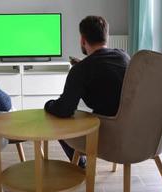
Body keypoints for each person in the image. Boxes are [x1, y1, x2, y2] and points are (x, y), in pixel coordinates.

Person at [44, 16, 130, 167]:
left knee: (56, 122)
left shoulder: (81, 70)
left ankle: (81, 163)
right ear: (106, 37)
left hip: (104, 132)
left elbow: (64, 110)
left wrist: (48, 105)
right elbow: (105, 69)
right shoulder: (124, 56)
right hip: (130, 128)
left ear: (82, 39)